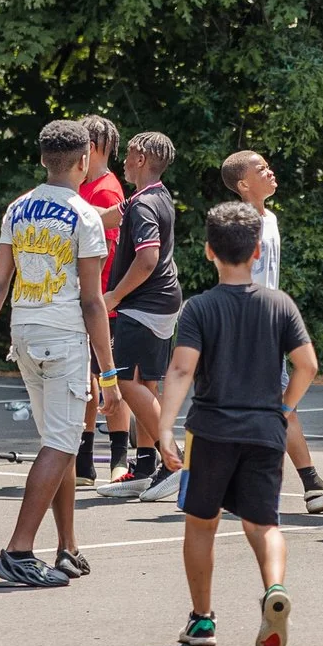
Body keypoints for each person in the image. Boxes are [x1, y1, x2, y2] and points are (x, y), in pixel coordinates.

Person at [0, 119, 123, 587]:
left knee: (60, 439)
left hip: (24, 333)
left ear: (43, 160)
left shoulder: (18, 208)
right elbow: (92, 301)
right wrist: (108, 375)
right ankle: (18, 550)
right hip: (64, 336)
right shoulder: (87, 215)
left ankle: (67, 546)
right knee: (61, 442)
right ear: (85, 159)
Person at [161, 201, 318, 646]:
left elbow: (180, 371)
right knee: (265, 524)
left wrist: (166, 427)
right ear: (256, 253)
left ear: (209, 251)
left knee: (200, 524)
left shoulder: (199, 309)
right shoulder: (279, 304)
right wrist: (284, 409)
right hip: (264, 430)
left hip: (211, 431)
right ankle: (274, 589)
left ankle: (203, 620)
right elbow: (307, 364)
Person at [222, 148, 323, 513]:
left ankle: (210, 477)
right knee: (280, 407)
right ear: (243, 183)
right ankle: (311, 486)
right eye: (261, 169)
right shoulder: (238, 224)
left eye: (268, 167)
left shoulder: (270, 219)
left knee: (275, 407)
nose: (270, 173)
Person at [98, 133, 186, 502]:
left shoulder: (143, 205)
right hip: (162, 302)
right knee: (146, 384)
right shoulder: (160, 196)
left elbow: (148, 258)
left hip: (144, 304)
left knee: (129, 384)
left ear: (142, 158)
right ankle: (147, 465)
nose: (123, 159)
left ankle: (175, 463)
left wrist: (114, 295)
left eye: (130, 153)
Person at [75, 114, 130, 484]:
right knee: (87, 380)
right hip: (82, 297)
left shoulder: (106, 190)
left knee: (109, 377)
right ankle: (83, 460)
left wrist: (104, 298)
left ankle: (119, 457)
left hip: (102, 300)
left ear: (91, 148)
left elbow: (107, 253)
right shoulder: (82, 187)